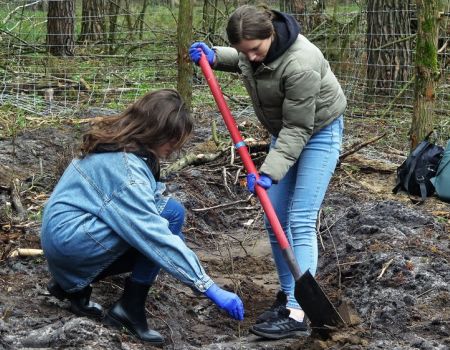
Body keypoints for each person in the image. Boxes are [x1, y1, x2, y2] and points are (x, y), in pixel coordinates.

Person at [189, 4, 346, 340]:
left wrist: (270, 171)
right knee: (273, 216)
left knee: (300, 218)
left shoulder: (301, 63)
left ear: (271, 35)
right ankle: (290, 296)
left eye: (256, 50)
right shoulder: (252, 51)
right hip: (285, 132)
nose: (252, 58)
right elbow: (244, 58)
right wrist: (214, 56)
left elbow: (299, 128)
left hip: (317, 133)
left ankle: (297, 312)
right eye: (245, 51)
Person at [40, 89, 244, 345]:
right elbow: (153, 234)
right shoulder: (126, 170)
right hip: (72, 247)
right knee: (170, 216)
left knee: (166, 221)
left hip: (63, 243)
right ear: (158, 131)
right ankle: (129, 309)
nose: (175, 150)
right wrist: (207, 286)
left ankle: (72, 288)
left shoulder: (115, 144)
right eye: (173, 142)